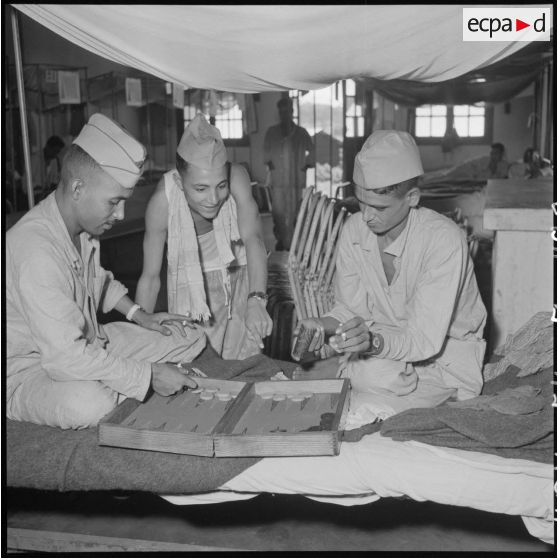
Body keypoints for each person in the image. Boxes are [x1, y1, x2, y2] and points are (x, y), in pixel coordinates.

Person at [6, 113, 207, 430]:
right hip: (35, 371)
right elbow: (64, 359)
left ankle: (121, 378)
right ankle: (125, 380)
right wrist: (149, 375)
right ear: (77, 189)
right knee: (91, 404)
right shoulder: (35, 249)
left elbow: (97, 282)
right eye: (113, 202)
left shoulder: (77, 228)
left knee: (190, 335)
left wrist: (141, 316)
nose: (120, 214)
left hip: (88, 341)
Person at [294, 130, 487, 403]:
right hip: (383, 350)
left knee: (367, 381)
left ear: (412, 198)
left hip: (442, 359)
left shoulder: (443, 241)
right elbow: (350, 309)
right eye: (361, 203)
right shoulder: (354, 230)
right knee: (370, 376)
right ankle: (367, 376)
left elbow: (422, 340)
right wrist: (320, 324)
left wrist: (372, 343)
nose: (368, 217)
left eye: (380, 208)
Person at [136, 114, 272, 360]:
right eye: (200, 188)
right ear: (179, 180)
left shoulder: (238, 177)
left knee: (247, 362)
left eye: (221, 186)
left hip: (240, 275)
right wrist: (141, 336)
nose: (213, 199)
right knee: (197, 365)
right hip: (193, 287)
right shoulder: (162, 202)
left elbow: (254, 239)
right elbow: (151, 277)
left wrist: (257, 299)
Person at [263, 97, 315, 250]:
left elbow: (312, 151)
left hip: (295, 181)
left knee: (294, 213)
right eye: (281, 111)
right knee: (278, 213)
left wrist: (305, 166)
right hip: (278, 181)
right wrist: (272, 166)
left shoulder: (301, 132)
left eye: (287, 111)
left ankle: (292, 245)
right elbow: (266, 153)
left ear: (292, 112)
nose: (284, 114)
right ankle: (280, 239)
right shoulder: (272, 132)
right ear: (279, 113)